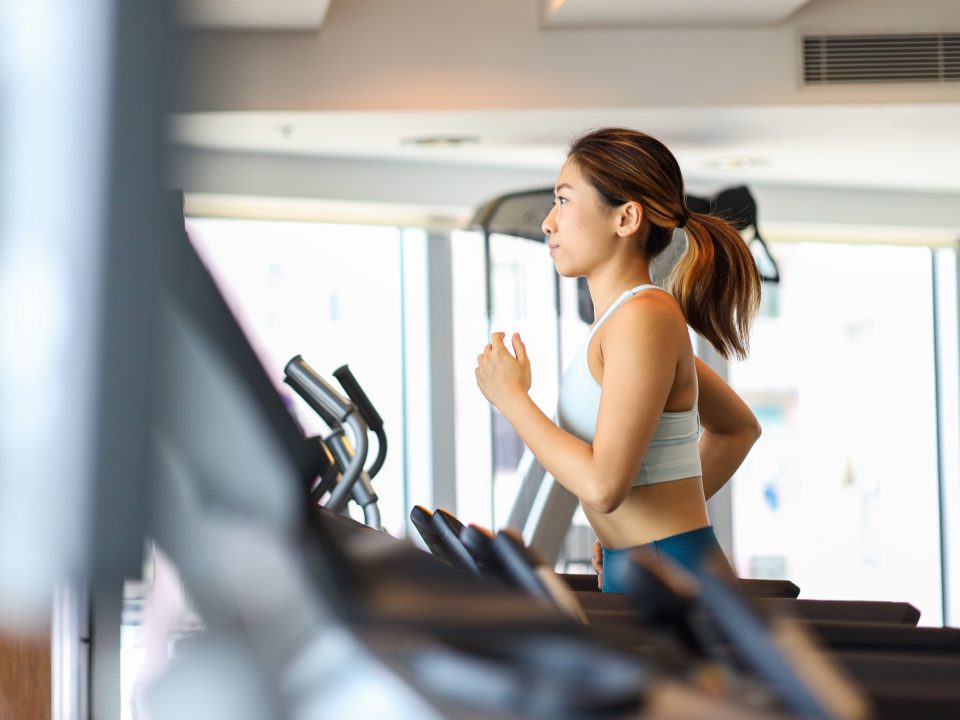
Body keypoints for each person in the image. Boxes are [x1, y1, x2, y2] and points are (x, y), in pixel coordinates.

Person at [475, 127, 762, 592]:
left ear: (626, 218)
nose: (548, 222)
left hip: (670, 571)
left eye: (564, 201)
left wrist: (512, 399)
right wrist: (632, 533)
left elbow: (603, 487)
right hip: (644, 562)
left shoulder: (644, 317)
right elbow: (737, 428)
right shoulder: (626, 320)